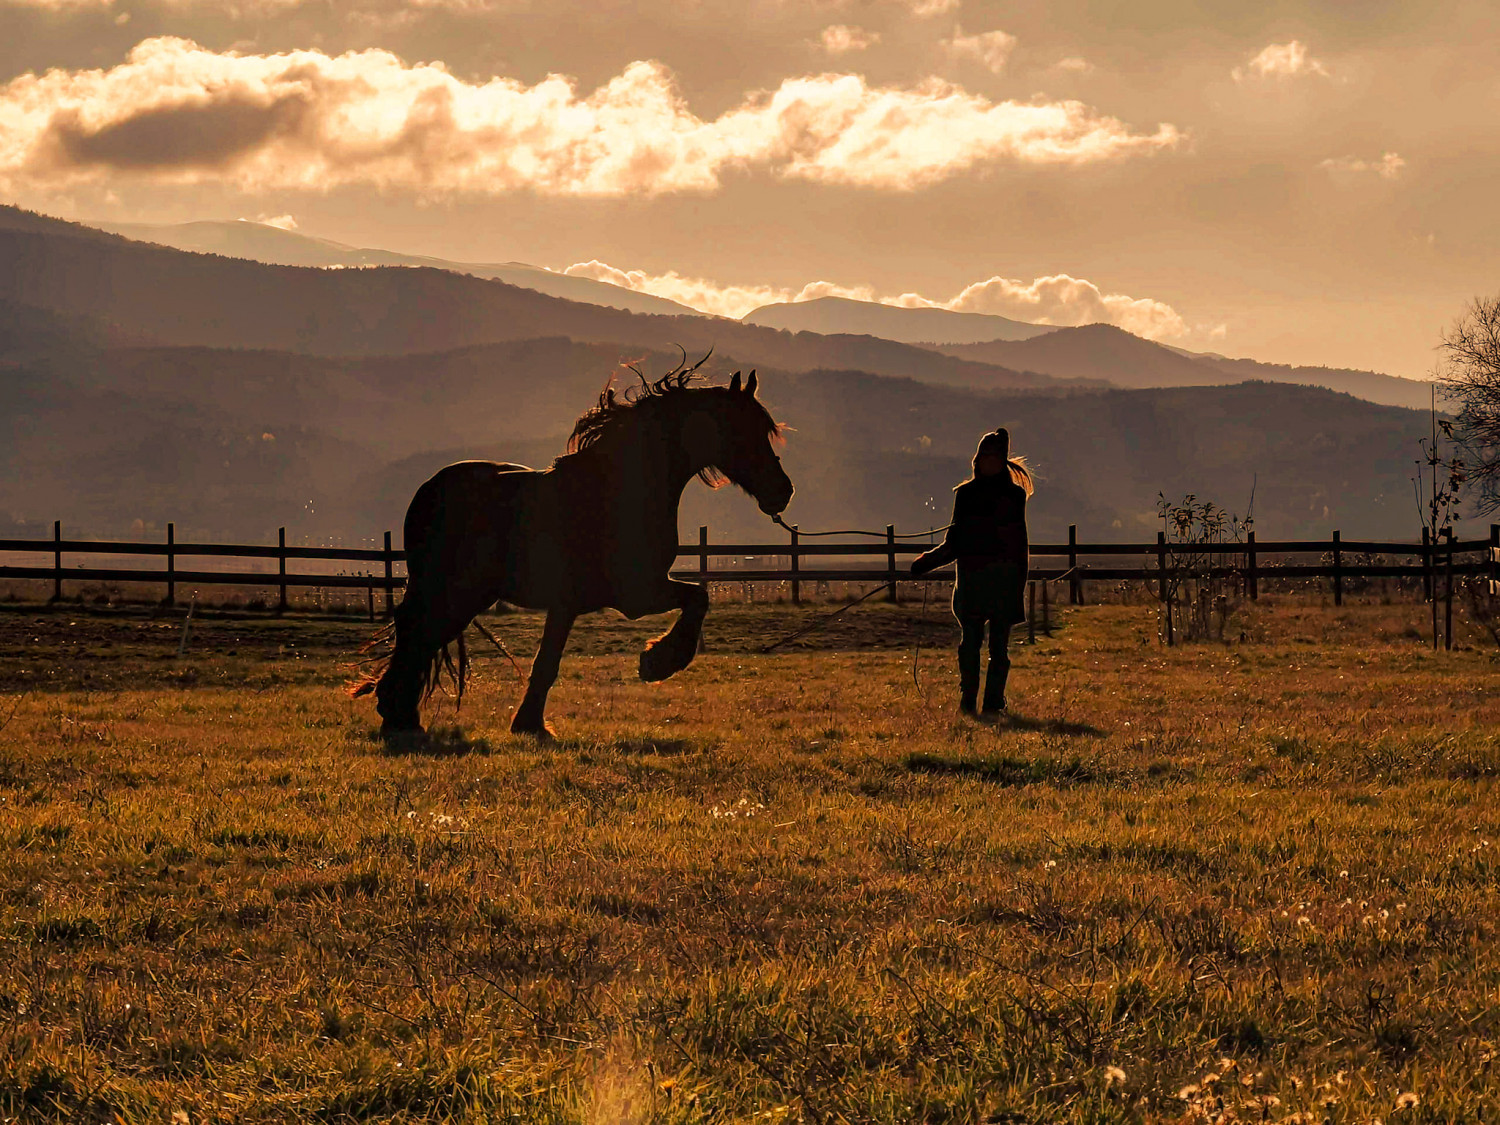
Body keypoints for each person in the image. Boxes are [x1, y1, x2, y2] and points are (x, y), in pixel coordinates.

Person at [911, 428, 1033, 715]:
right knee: (970, 645)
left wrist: (1017, 585)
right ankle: (969, 699)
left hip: (1001, 582)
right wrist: (926, 562)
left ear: (1000, 461)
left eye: (992, 458)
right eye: (983, 458)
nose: (986, 463)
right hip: (975, 583)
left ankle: (992, 702)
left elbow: (1018, 544)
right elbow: (953, 542)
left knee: (997, 649)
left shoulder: (1013, 497)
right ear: (977, 461)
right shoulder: (966, 495)